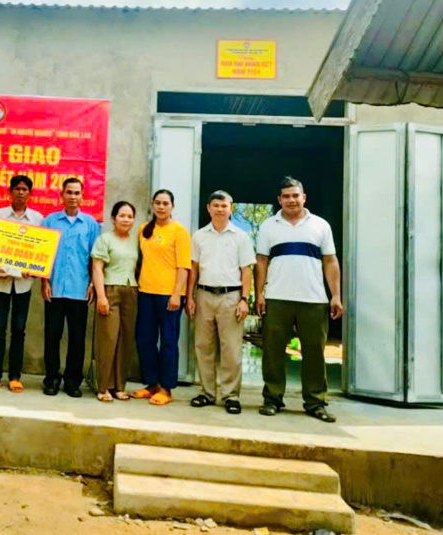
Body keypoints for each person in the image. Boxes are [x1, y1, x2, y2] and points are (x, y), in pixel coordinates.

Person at [255, 176, 342, 423]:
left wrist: (335, 295)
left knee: (314, 353)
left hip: (313, 299)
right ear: (279, 200)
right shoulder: (268, 226)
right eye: (286, 196)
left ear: (304, 197)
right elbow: (261, 261)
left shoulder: (320, 226)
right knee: (272, 352)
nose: (291, 200)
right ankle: (272, 399)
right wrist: (259, 293)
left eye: (295, 195)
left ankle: (315, 402)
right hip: (277, 298)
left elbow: (330, 261)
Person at [186, 190, 255, 414]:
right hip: (204, 295)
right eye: (215, 205)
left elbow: (246, 270)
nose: (220, 209)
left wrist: (244, 299)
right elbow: (194, 269)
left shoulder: (241, 237)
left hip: (231, 297)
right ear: (208, 208)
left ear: (231, 209)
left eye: (224, 206)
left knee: (231, 349)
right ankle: (207, 392)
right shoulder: (199, 236)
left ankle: (230, 395)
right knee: (203, 347)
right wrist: (190, 296)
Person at [0, 175, 44, 393]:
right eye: (17, 188)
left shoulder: (37, 219)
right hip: (0, 283)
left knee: (19, 330)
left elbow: (42, 253)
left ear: (30, 194)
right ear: (10, 192)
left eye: (25, 189)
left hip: (24, 285)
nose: (21, 192)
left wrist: (34, 269)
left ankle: (15, 376)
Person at [41, 178, 101, 397]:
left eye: (77, 193)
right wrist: (44, 281)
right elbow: (43, 255)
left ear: (82, 197)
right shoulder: (50, 221)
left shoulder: (91, 224)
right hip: (54, 289)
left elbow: (95, 258)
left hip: (80, 290)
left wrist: (93, 284)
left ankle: (72, 381)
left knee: (77, 338)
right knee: (52, 336)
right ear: (62, 195)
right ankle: (51, 378)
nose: (73, 196)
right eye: (69, 192)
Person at [132, 189, 191, 406]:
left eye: (165, 203)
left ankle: (166, 388)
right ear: (152, 204)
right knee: (144, 339)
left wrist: (177, 294)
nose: (161, 207)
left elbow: (184, 267)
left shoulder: (179, 231)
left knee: (168, 342)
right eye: (157, 203)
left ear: (172, 206)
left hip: (169, 296)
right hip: (145, 292)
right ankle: (152, 384)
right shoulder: (143, 229)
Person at [90, 201, 139, 402]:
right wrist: (101, 295)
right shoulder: (105, 239)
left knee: (126, 340)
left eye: (130, 216)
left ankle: (119, 386)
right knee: (108, 339)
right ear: (113, 218)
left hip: (131, 290)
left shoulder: (136, 241)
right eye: (122, 215)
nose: (126, 220)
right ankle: (103, 387)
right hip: (110, 290)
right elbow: (97, 268)